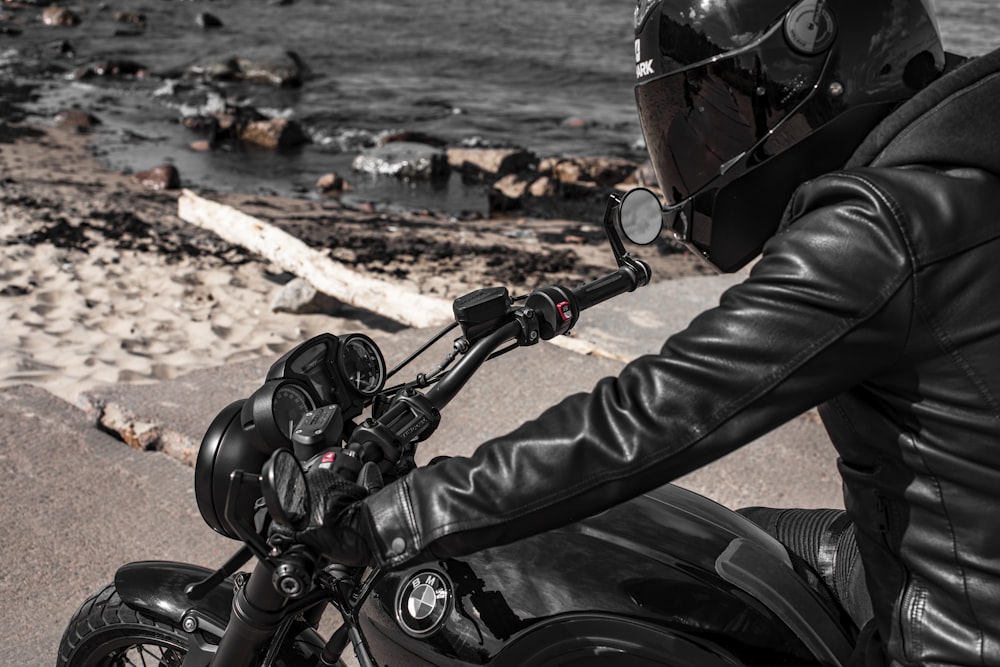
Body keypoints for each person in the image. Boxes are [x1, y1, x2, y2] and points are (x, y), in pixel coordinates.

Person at [289, 1, 1000, 664]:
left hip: (954, 635)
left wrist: (400, 513)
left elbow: (657, 414)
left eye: (707, 109)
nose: (696, 145)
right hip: (944, 552)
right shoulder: (965, 156)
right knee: (687, 550)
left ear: (806, 58)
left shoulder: (879, 228)